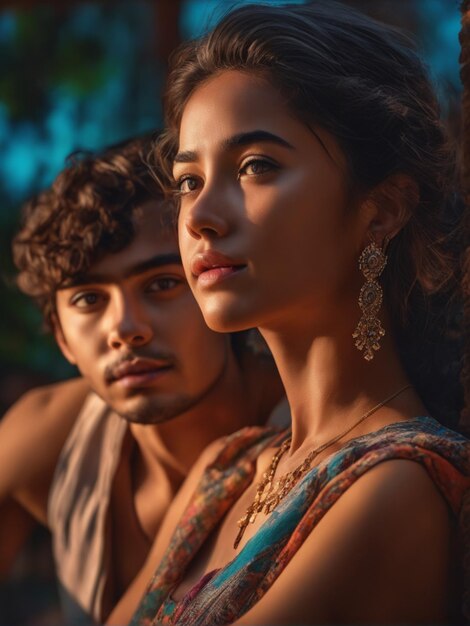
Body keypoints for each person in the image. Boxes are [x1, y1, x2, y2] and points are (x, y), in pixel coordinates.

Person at [112, 3, 470, 625]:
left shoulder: (396, 487)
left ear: (382, 208)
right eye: (190, 180)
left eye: (256, 166)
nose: (198, 218)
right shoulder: (227, 469)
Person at [0, 135, 286, 624]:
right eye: (89, 299)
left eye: (161, 284)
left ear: (216, 284)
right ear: (61, 338)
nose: (126, 329)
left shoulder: (305, 430)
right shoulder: (50, 436)